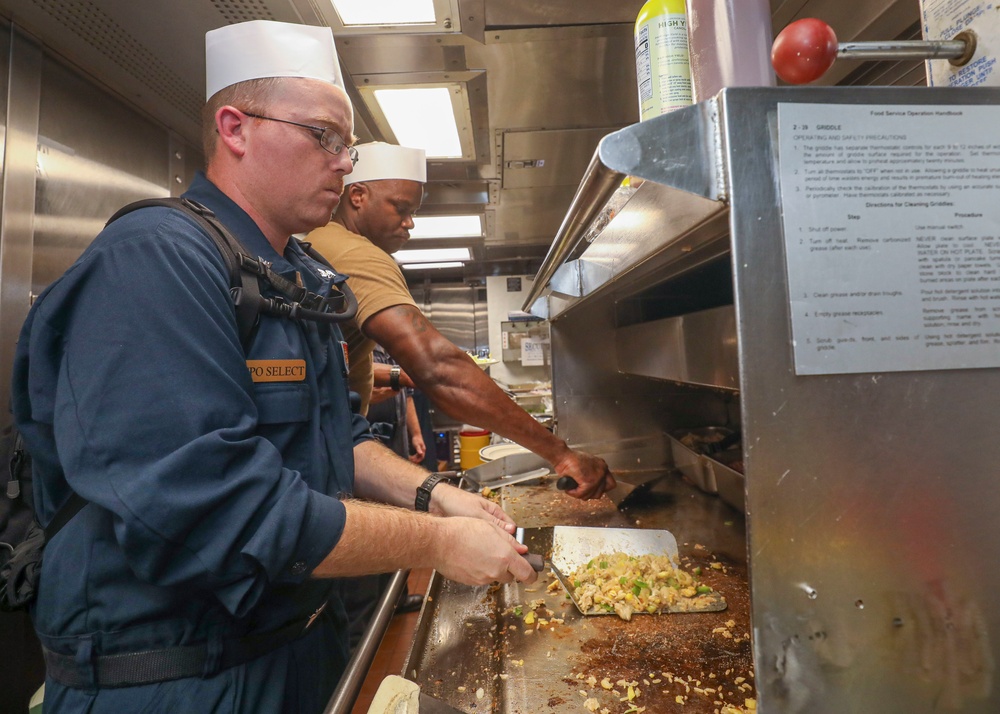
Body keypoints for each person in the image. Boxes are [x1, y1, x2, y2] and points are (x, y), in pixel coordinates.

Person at [11, 20, 536, 714]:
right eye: (325, 136)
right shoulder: (157, 261)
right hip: (175, 680)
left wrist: (433, 493)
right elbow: (227, 512)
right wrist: (439, 541)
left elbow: (335, 439)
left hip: (290, 654)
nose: (346, 162)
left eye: (347, 144)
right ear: (235, 128)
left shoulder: (296, 276)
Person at [305, 142, 617, 499]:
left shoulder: (321, 241)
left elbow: (335, 359)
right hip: (324, 459)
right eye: (401, 208)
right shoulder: (356, 254)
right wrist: (561, 455)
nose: (410, 223)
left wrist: (396, 374)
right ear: (357, 196)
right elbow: (438, 367)